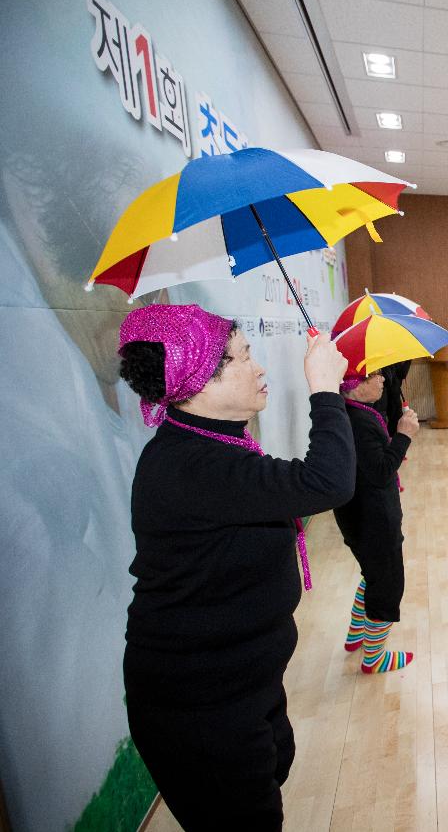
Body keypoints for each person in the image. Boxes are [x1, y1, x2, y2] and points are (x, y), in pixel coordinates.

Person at [118, 305, 354, 829]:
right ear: (197, 379)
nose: (261, 367)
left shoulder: (209, 444)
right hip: (198, 702)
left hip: (244, 683)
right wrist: (324, 390)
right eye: (242, 358)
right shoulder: (194, 466)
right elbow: (328, 483)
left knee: (274, 772)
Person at [335, 368, 419, 674]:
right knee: (388, 585)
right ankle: (374, 656)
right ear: (355, 386)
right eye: (375, 377)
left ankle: (357, 635)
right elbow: (382, 469)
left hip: (355, 514)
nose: (383, 380)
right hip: (374, 518)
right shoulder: (360, 421)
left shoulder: (346, 412)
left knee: (372, 574)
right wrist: (404, 436)